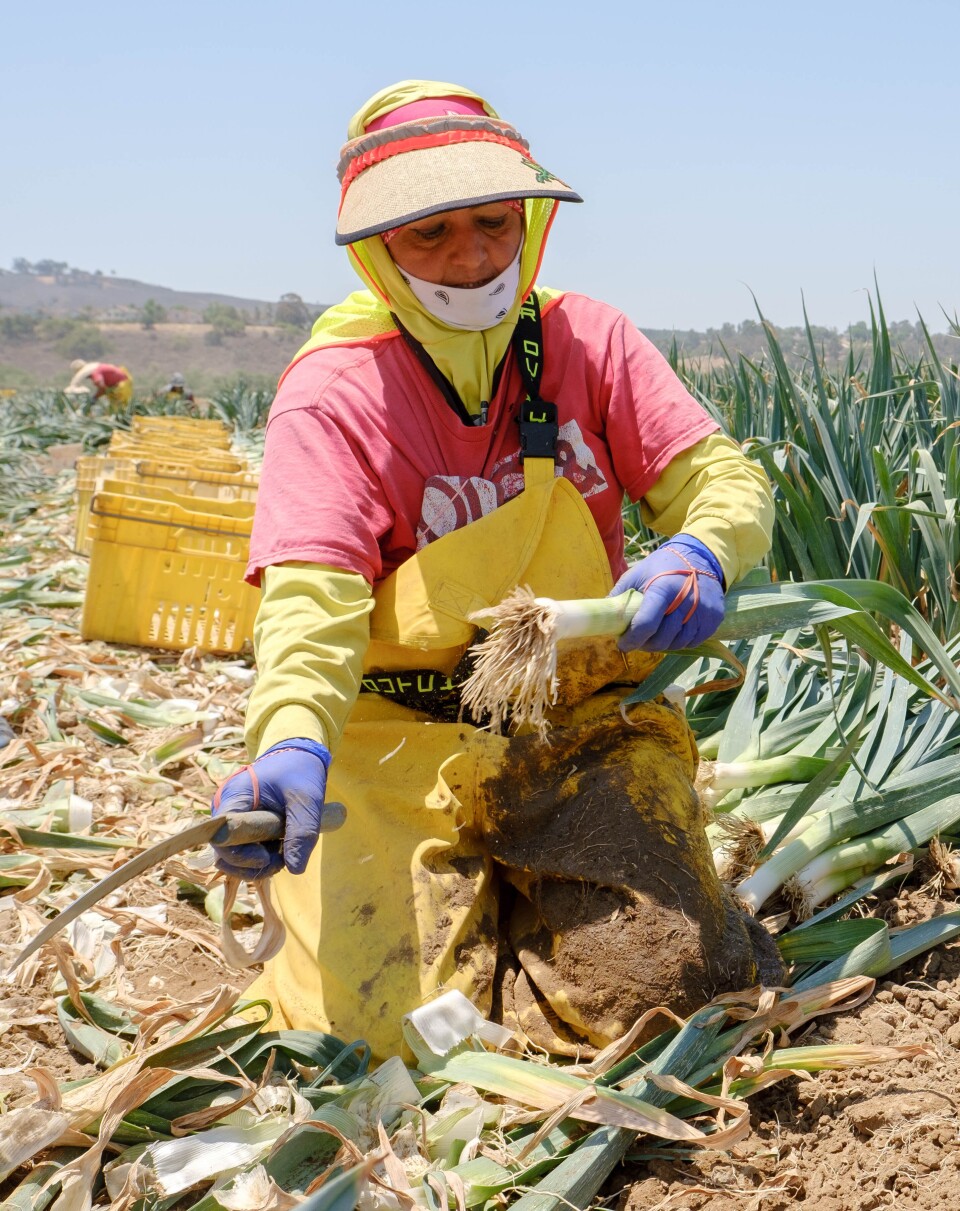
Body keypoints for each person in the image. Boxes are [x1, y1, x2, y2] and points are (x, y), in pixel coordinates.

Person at [210, 80, 777, 1061]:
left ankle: (550, 915)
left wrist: (702, 546)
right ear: (375, 250)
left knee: (666, 987)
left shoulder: (587, 342)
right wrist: (293, 737)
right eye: (428, 234)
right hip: (395, 739)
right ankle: (498, 925)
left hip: (576, 729)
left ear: (530, 221)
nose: (469, 257)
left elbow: (718, 479)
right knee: (396, 1033)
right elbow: (313, 597)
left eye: (492, 221)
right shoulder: (338, 393)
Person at [66, 360, 133, 411]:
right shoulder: (99, 369)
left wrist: (95, 398)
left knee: (120, 409)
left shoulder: (95, 373)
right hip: (121, 383)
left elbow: (102, 387)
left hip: (121, 386)